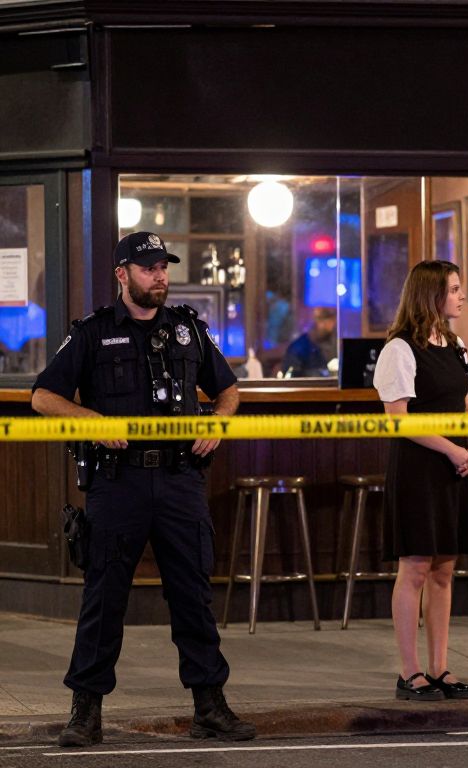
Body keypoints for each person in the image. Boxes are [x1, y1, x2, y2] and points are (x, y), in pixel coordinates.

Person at [31, 231, 255, 747]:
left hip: (180, 481)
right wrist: (88, 420)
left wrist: (216, 422)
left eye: (163, 266)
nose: (160, 275)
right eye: (149, 267)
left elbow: (228, 389)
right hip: (118, 482)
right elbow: (43, 396)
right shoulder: (92, 333)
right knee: (104, 599)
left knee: (194, 598)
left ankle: (209, 707)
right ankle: (85, 712)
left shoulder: (188, 332)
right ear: (122, 275)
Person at [373, 259, 468, 702]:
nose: (461, 296)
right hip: (419, 467)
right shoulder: (399, 348)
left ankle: (440, 668)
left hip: (455, 465)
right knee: (415, 566)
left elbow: (466, 403)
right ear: (432, 295)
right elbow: (398, 421)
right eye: (454, 289)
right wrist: (452, 448)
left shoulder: (456, 344)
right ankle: (410, 672)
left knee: (444, 569)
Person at [280, 306, 336, 377]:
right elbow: (290, 378)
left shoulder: (332, 344)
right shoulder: (298, 348)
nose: (332, 327)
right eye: (327, 321)